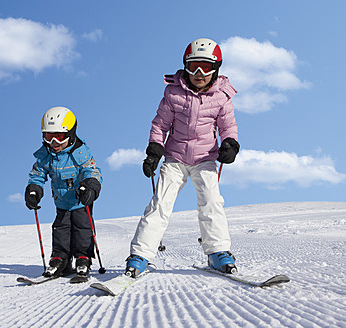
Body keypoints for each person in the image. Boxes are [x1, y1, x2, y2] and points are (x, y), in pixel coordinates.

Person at [125, 38, 240, 277]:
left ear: (216, 69)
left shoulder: (222, 96)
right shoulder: (173, 93)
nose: (199, 73)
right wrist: (154, 151)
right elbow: (160, 125)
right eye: (193, 66)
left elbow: (228, 127)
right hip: (175, 159)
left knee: (211, 201)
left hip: (205, 158)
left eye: (206, 67)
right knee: (160, 204)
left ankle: (218, 252)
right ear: (185, 66)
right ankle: (141, 255)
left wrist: (230, 144)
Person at [25, 106, 102, 278]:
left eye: (59, 138)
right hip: (61, 201)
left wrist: (90, 186)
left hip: (80, 199)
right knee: (60, 228)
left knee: (83, 228)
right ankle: (61, 259)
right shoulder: (46, 155)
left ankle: (83, 257)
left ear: (71, 134)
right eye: (49, 137)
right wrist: (33, 189)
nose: (54, 144)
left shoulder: (80, 153)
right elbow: (38, 174)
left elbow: (93, 171)